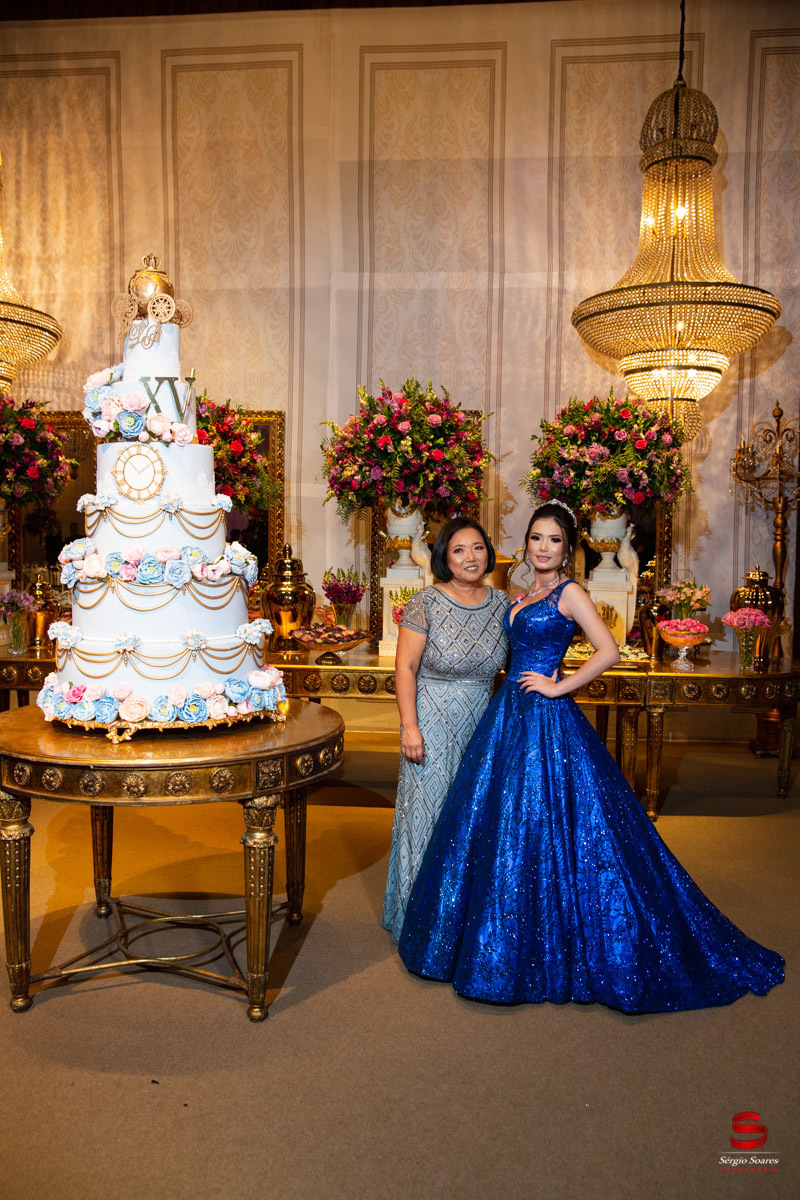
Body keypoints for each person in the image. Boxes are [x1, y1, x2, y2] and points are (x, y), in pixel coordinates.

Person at [398, 500, 784, 1011]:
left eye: (554, 540)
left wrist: (560, 687)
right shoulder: (521, 594)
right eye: (536, 538)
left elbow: (609, 651)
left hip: (545, 716)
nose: (543, 548)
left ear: (568, 549)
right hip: (508, 715)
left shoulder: (571, 592)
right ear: (525, 543)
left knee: (550, 819)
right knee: (500, 822)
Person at [381, 517, 510, 942]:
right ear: (444, 558)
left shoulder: (504, 605)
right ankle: (416, 922)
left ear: (489, 553)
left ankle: (459, 923)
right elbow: (405, 667)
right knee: (428, 818)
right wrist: (409, 727)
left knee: (471, 819)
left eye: (478, 547)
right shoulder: (426, 602)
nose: (470, 557)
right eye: (458, 550)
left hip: (482, 721)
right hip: (431, 721)